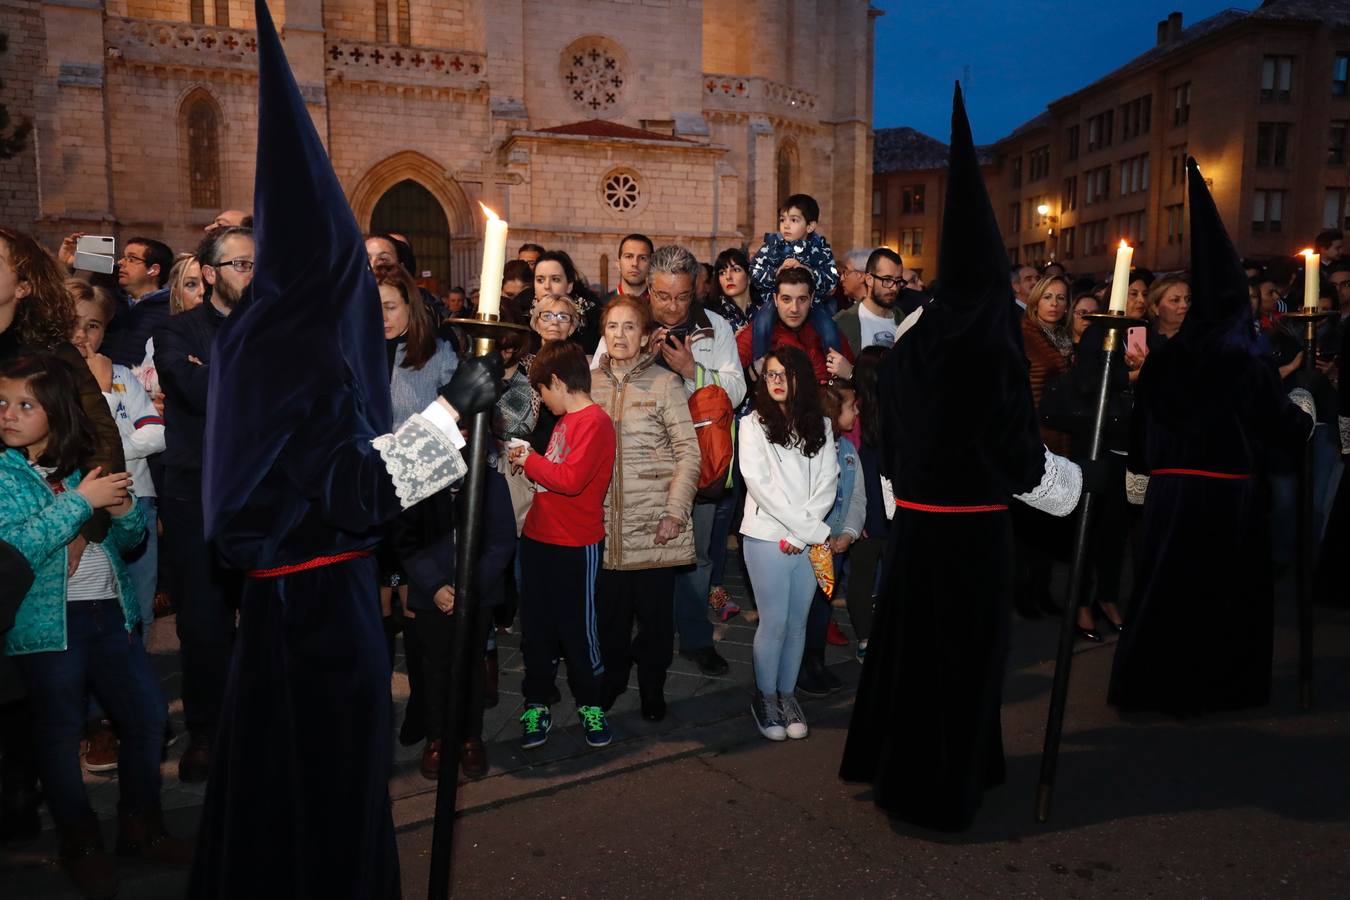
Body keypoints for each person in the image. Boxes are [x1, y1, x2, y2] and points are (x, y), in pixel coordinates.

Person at [186, 8, 503, 895]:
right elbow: (354, 491)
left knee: (278, 799)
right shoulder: (300, 347)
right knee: (321, 805)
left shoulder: (260, 334)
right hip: (319, 614)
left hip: (285, 611)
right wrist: (450, 417)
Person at [840, 86, 1083, 831]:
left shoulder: (913, 335)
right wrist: (1069, 484)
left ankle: (904, 764)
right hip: (973, 532)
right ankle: (941, 785)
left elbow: (898, 429)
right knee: (965, 659)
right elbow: (1013, 446)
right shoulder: (993, 342)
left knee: (912, 652)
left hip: (916, 526)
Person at [1108, 158, 1315, 716]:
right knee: (1220, 595)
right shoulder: (1246, 361)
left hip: (1172, 496)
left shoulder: (1166, 360)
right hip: (1227, 497)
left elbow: (1146, 440)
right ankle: (1215, 686)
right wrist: (1303, 408)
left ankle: (1153, 686)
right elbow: (1281, 428)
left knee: (1167, 592)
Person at [1, 353, 190, 899]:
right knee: (59, 734)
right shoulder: (3, 473)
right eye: (2, 403)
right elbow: (15, 549)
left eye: (25, 405)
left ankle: (141, 826)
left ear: (57, 414)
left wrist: (123, 507)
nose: (8, 414)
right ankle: (79, 843)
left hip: (109, 614)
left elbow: (127, 543)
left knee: (147, 717)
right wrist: (82, 505)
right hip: (48, 627)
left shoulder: (83, 469)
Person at [152, 226, 252, 784]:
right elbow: (194, 393)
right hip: (197, 495)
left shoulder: (272, 330)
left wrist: (213, 372)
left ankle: (259, 721)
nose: (251, 274)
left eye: (256, 265)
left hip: (260, 493)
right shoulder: (176, 330)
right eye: (239, 265)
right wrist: (240, 380)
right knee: (204, 621)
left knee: (263, 616)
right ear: (210, 274)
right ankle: (207, 732)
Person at [591, 296, 700, 721]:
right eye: (612, 326)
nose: (620, 335)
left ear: (644, 336)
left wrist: (675, 512)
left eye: (629, 327)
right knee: (610, 617)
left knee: (655, 620)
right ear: (604, 333)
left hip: (654, 524)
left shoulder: (665, 383)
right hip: (602, 523)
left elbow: (688, 452)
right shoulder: (588, 381)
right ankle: (614, 679)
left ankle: (652, 686)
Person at [505, 341, 616, 749]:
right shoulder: (565, 421)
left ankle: (590, 703)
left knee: (578, 629)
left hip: (575, 544)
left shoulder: (595, 422)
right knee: (536, 627)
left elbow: (569, 480)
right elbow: (555, 475)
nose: (540, 399)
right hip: (538, 539)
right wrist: (533, 460)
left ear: (556, 381)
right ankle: (536, 702)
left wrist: (528, 460)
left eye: (541, 391)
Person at [739, 346, 838, 740]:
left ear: (801, 379)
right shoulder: (751, 424)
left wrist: (803, 534)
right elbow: (760, 486)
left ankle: (786, 695)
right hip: (767, 537)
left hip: (807, 538)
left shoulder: (823, 426)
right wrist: (804, 531)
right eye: (771, 374)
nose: (777, 381)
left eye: (785, 374)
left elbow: (829, 483)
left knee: (798, 623)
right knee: (775, 621)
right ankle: (765, 698)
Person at [69, 280, 165, 631]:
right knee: (94, 606)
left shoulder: (122, 374)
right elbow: (77, 445)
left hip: (137, 497)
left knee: (140, 603)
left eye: (92, 326)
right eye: (72, 323)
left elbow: (157, 433)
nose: (81, 335)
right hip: (84, 505)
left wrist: (110, 451)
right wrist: (104, 392)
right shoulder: (51, 380)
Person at [797, 379, 864, 697]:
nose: (856, 411)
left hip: (836, 548)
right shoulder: (807, 452)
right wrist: (822, 537)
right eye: (850, 406)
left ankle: (816, 661)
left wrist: (849, 533)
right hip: (810, 547)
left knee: (822, 607)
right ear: (831, 413)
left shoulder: (849, 450)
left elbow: (857, 498)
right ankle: (799, 666)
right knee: (803, 608)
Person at [748, 193, 842, 360]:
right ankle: (760, 365)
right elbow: (755, 270)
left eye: (794, 220)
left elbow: (832, 277)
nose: (786, 225)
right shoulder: (773, 246)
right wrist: (775, 274)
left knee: (829, 327)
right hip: (775, 301)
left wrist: (810, 272)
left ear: (810, 226)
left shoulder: (820, 249)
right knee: (762, 323)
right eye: (783, 219)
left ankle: (835, 370)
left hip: (812, 303)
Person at [842, 347, 889, 664]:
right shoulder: (856, 412)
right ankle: (868, 638)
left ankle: (867, 638)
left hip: (876, 511)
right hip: (874, 511)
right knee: (863, 577)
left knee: (862, 577)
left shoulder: (870, 410)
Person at [738, 266, 852, 383]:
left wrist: (851, 374)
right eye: (786, 299)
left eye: (802, 299)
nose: (794, 308)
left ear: (811, 298)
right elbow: (731, 382)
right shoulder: (756, 332)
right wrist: (753, 372)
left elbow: (858, 389)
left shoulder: (830, 332)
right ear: (775, 299)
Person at [96, 237, 175, 368]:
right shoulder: (107, 301)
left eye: (131, 259)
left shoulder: (172, 309)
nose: (120, 262)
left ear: (153, 270)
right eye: (123, 257)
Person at [832, 247, 905, 367]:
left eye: (898, 281)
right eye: (887, 280)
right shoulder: (843, 322)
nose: (894, 288)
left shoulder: (905, 322)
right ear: (869, 280)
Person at [533, 249, 601, 352]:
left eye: (555, 279)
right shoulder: (521, 316)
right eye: (540, 280)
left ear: (569, 286)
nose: (546, 286)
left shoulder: (591, 322)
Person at [613, 233, 653, 299]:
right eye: (628, 256)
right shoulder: (600, 306)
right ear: (618, 264)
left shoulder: (659, 306)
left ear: (651, 264)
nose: (635, 263)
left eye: (642, 258)